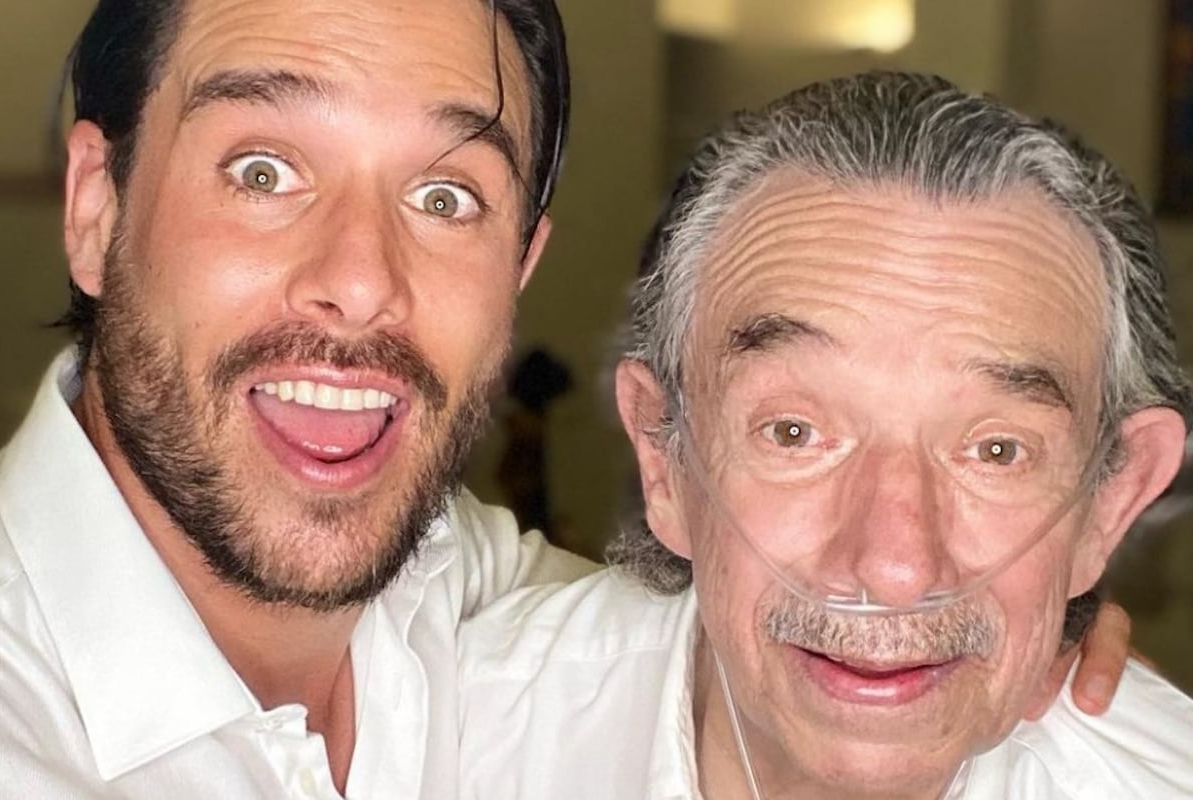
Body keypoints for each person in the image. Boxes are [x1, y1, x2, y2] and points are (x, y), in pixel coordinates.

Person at [457, 71, 1193, 799]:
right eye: (794, 432)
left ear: (1112, 500)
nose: (894, 568)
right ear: (662, 454)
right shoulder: (439, 730)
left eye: (996, 451)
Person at [0, 0, 600, 797]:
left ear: (519, 268)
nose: (359, 284)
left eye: (445, 198)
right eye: (263, 172)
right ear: (97, 211)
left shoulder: (491, 603)